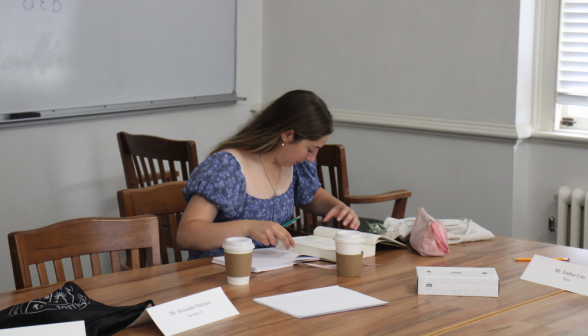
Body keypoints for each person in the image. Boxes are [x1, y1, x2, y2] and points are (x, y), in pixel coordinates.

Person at [177, 90, 360, 259]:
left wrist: (336, 206)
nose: (312, 159)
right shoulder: (226, 167)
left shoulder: (297, 164)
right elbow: (187, 234)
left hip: (272, 273)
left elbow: (309, 195)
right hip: (220, 277)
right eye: (310, 149)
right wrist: (248, 227)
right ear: (288, 135)